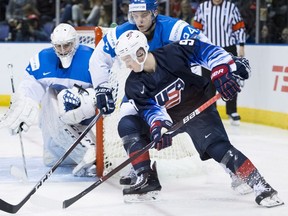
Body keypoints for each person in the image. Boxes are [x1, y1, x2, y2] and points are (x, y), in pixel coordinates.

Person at [114, 29, 284, 208]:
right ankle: (146, 179)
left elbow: (208, 51)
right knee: (127, 125)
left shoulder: (174, 52)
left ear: (139, 53)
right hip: (170, 117)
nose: (127, 65)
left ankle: (261, 186)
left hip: (198, 108)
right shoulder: (133, 84)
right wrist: (158, 127)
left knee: (217, 148)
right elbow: (150, 109)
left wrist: (221, 70)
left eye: (128, 59)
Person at [89, 0, 247, 190]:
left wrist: (227, 65)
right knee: (127, 121)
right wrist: (102, 87)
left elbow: (203, 46)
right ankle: (143, 171)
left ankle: (232, 169)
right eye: (135, 16)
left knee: (208, 134)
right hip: (145, 91)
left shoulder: (175, 28)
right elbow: (99, 57)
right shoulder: (123, 32)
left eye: (144, 15)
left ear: (154, 12)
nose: (139, 21)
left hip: (180, 88)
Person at [0, 23, 97, 177]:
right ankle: (70, 152)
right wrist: (24, 104)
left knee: (62, 98)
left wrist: (88, 98)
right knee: (52, 159)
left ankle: (91, 152)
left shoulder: (92, 58)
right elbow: (29, 86)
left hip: (86, 113)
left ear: (75, 43)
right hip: (59, 116)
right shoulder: (42, 59)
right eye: (59, 46)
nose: (63, 50)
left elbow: (108, 86)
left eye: (67, 45)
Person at [193, 0, 246, 126]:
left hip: (228, 48)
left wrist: (242, 45)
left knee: (230, 80)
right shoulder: (203, 7)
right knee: (208, 82)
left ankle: (232, 111)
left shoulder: (231, 7)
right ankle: (211, 112)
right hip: (208, 50)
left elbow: (239, 27)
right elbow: (196, 29)